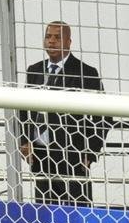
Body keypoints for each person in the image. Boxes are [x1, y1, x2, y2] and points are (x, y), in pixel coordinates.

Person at [19, 21, 109, 207]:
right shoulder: (34, 71)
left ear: (69, 42)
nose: (51, 41)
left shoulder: (85, 72)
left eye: (57, 37)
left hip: (72, 157)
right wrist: (24, 141)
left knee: (76, 211)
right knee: (44, 211)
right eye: (48, 36)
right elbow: (23, 110)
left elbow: (105, 117)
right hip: (40, 156)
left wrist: (89, 153)